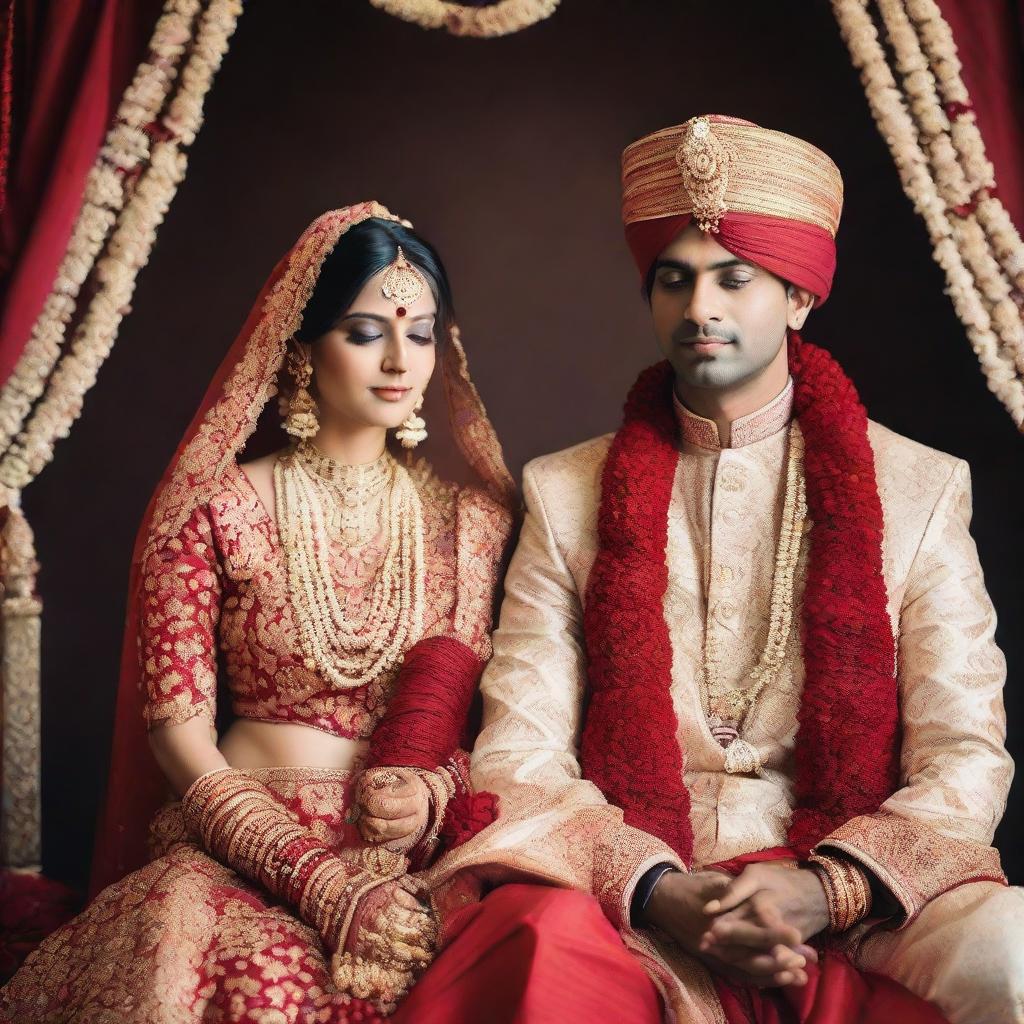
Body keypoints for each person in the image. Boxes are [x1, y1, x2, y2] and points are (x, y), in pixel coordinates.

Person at [393, 117, 1021, 1024]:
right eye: (675, 280)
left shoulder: (919, 487)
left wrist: (827, 890)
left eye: (736, 279)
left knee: (1012, 954)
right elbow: (519, 749)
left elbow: (964, 756)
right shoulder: (566, 491)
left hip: (855, 889)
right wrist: (654, 888)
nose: (700, 310)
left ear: (800, 297)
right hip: (634, 884)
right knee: (535, 949)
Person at [0, 201, 515, 1023]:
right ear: (303, 346)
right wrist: (312, 874)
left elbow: (497, 723)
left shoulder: (472, 523)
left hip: (415, 856)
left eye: (419, 334)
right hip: (240, 850)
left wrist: (429, 794)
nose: (398, 360)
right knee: (258, 987)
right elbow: (178, 735)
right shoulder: (213, 508)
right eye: (363, 331)